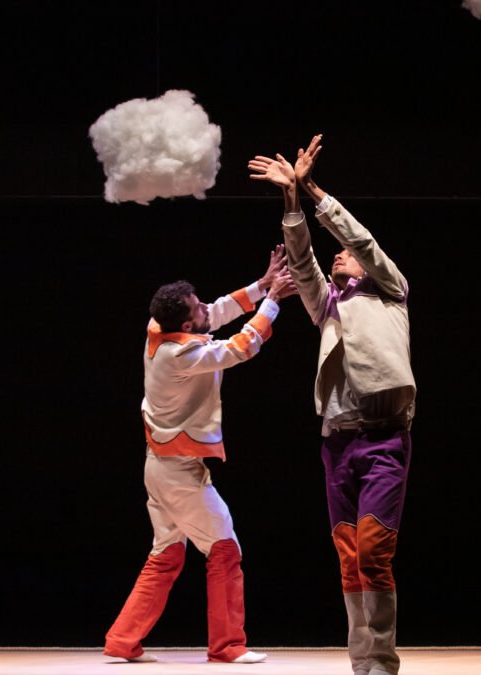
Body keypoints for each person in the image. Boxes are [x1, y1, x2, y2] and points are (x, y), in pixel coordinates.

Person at [248, 135, 415, 675]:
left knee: (373, 551)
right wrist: (290, 198)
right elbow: (302, 262)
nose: (338, 255)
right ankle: (361, 664)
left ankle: (381, 663)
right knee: (349, 558)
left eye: (345, 255)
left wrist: (314, 189)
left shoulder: (390, 291)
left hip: (384, 437)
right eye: (336, 254)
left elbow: (359, 239)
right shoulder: (328, 307)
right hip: (337, 443)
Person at [102, 249, 296, 665]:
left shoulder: (160, 327)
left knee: (167, 553)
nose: (206, 307)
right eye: (197, 308)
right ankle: (227, 646)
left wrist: (261, 285)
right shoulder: (180, 355)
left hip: (161, 467)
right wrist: (273, 301)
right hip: (176, 473)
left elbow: (216, 311)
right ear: (187, 325)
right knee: (224, 547)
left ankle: (123, 639)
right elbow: (241, 346)